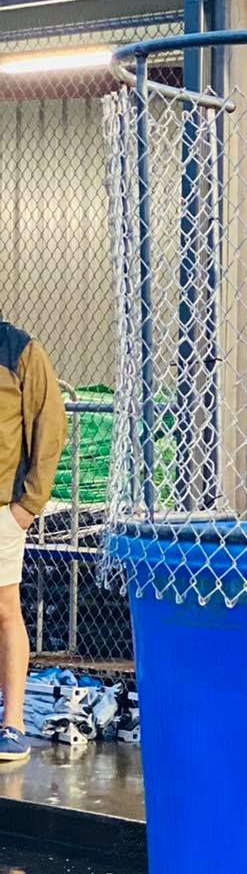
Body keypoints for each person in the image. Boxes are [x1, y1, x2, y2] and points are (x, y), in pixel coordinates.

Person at [0, 322, 67, 765]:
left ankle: (14, 724)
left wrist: (28, 505)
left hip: (2, 507)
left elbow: (51, 425)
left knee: (6, 613)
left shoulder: (19, 348)